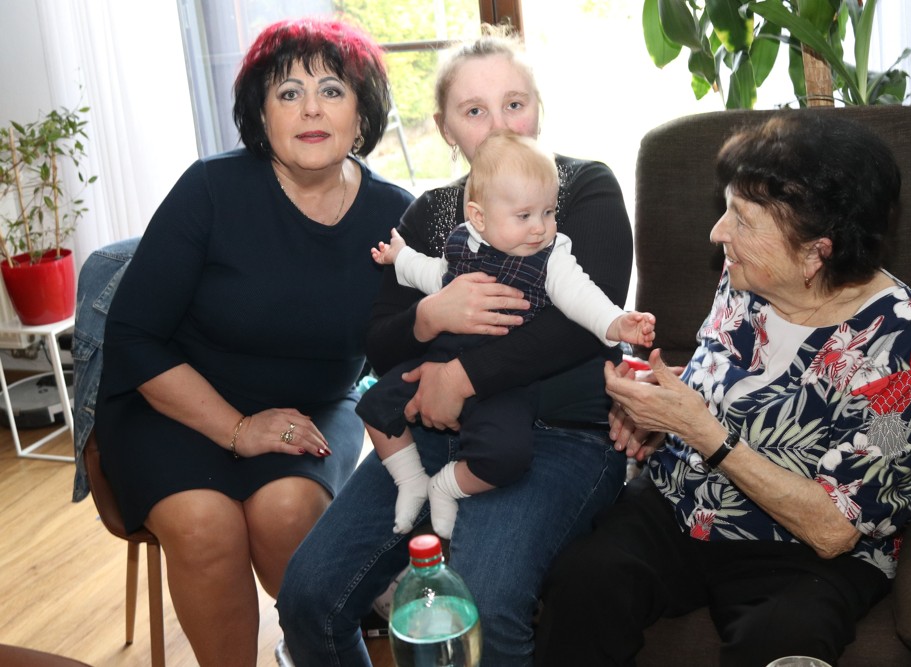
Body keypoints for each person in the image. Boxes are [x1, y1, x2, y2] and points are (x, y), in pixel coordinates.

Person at [277, 27, 633, 665]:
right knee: (307, 595)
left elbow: (583, 317)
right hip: (431, 434)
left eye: (514, 104)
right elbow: (380, 345)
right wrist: (429, 316)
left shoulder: (580, 188)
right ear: (445, 129)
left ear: (539, 109)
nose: (499, 125)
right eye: (474, 111)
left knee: (486, 605)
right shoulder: (431, 215)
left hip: (561, 437)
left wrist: (461, 376)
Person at [533, 112, 911, 667]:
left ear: (816, 252)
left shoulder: (898, 342)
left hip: (799, 551)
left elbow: (836, 529)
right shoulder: (750, 273)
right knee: (583, 584)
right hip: (683, 501)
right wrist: (659, 407)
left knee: (779, 641)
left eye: (742, 220)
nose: (718, 232)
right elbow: (724, 377)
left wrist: (701, 430)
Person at [95, 18, 413, 665]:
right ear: (261, 116)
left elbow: (408, 350)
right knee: (203, 523)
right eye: (288, 92)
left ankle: (321, 640)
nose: (311, 108)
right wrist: (238, 429)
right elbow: (133, 336)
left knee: (288, 508)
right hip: (173, 403)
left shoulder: (395, 214)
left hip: (315, 404)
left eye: (332, 89)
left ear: (361, 114)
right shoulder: (210, 190)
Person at [360, 130, 656, 539]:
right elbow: (431, 275)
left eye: (548, 213)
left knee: (506, 455)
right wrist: (401, 258)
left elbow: (582, 297)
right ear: (479, 217)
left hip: (501, 381)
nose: (540, 228)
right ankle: (410, 479)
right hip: (439, 363)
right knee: (374, 405)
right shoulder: (461, 242)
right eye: (524, 216)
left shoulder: (552, 257)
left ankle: (446, 485)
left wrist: (616, 322)